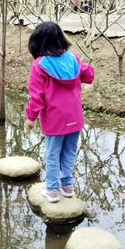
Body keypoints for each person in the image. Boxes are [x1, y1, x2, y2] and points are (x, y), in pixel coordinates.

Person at [24, 21, 95, 203]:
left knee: (53, 153)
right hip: (75, 117)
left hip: (55, 119)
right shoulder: (73, 59)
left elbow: (37, 96)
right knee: (69, 152)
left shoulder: (40, 65)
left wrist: (31, 118)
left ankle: (52, 190)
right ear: (60, 39)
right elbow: (89, 75)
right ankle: (67, 186)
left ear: (38, 42)